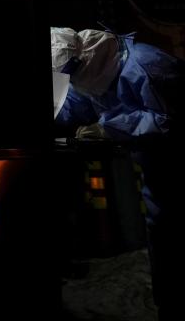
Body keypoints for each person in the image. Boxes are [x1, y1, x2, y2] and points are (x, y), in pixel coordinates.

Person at [51, 27, 183, 319]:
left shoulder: (146, 66)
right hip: (156, 168)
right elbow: (75, 104)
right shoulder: (88, 71)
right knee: (163, 233)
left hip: (177, 163)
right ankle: (168, 304)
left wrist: (109, 127)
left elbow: (167, 121)